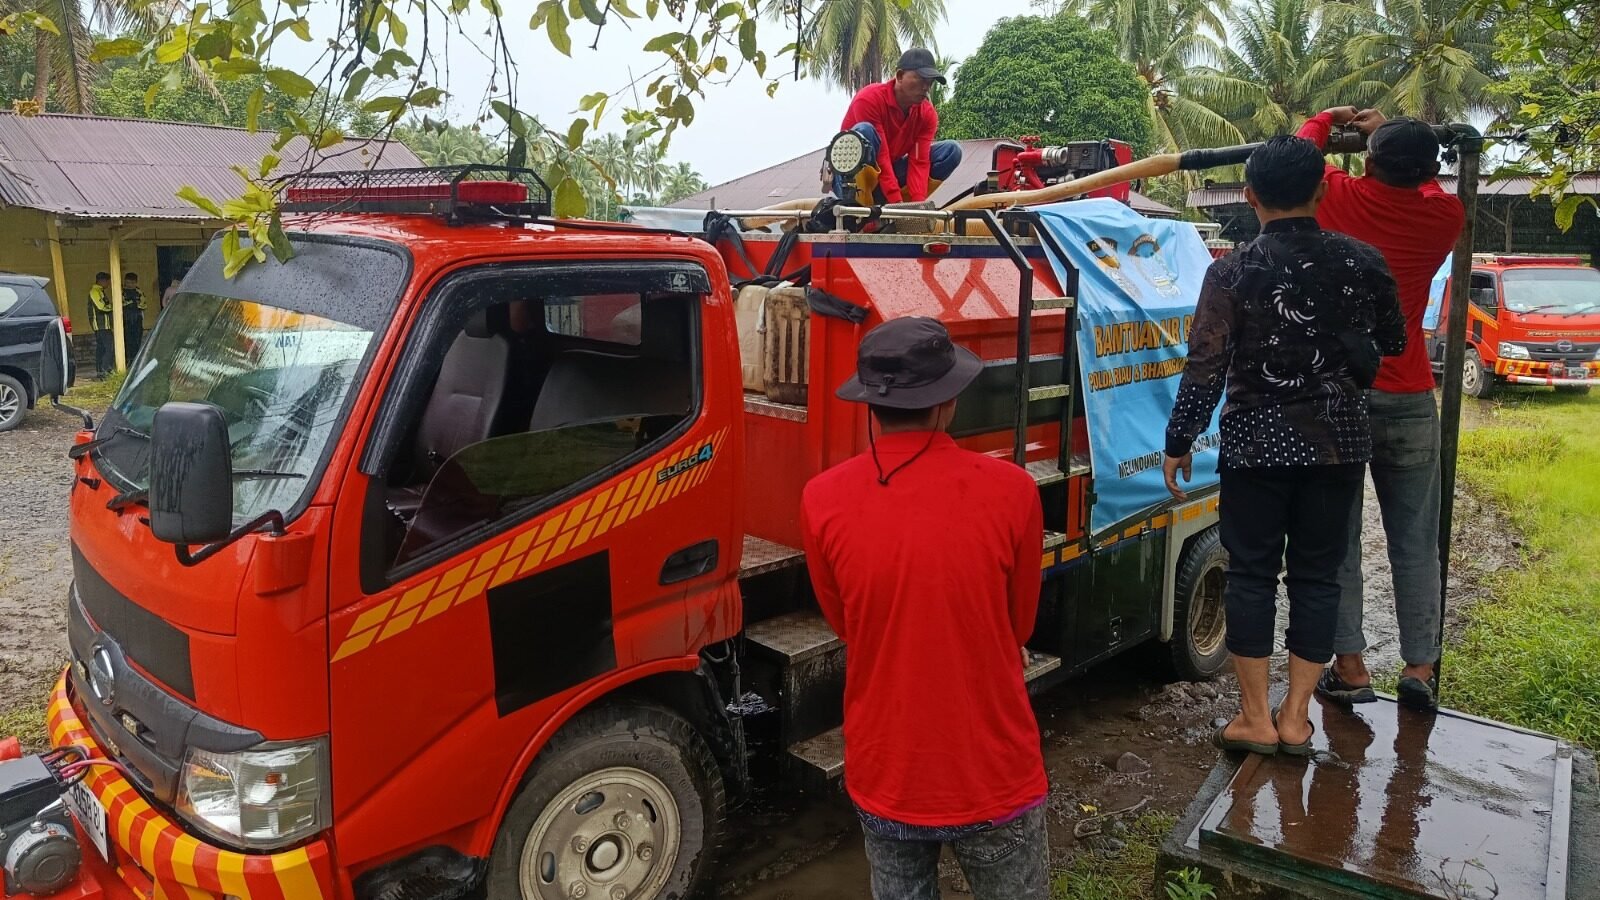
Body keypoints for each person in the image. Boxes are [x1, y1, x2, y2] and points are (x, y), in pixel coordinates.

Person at [1163, 136, 1406, 756]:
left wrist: (1180, 438)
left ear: (1249, 195)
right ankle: (1297, 717)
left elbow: (1206, 364)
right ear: (1322, 190)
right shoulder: (1363, 260)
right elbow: (1396, 341)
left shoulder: (1233, 269)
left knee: (1251, 574)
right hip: (1339, 446)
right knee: (1317, 577)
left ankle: (1253, 718)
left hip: (1257, 448)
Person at [801, 316, 1049, 900]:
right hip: (991, 772)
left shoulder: (821, 499)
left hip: (886, 770)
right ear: (947, 404)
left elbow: (847, 623)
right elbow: (1020, 625)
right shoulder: (1012, 491)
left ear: (870, 405)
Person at [1297, 107, 1467, 712]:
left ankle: (1351, 668)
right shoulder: (1443, 215)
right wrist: (1387, 136)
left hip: (1340, 393)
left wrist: (1328, 119)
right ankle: (1418, 668)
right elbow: (1425, 184)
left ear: (1368, 163)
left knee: (1338, 536)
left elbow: (1300, 156)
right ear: (1430, 170)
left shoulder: (1338, 196)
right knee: (1416, 540)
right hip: (1410, 395)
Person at [835, 48, 963, 204]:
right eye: (921, 79)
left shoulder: (927, 115)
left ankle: (905, 208)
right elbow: (881, 157)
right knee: (865, 131)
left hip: (888, 176)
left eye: (929, 81)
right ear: (900, 76)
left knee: (951, 151)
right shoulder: (869, 99)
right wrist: (895, 200)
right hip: (850, 177)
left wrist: (918, 207)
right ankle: (861, 207)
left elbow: (919, 161)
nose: (926, 87)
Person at [88, 272, 114, 377]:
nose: (108, 284)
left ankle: (101, 370)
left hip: (105, 324)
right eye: (107, 281)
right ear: (102, 281)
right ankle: (105, 369)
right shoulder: (95, 292)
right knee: (109, 347)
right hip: (100, 325)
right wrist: (114, 307)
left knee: (102, 348)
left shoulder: (100, 291)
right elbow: (101, 307)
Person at [122, 272, 145, 361]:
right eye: (128, 282)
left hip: (137, 318)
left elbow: (143, 304)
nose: (129, 285)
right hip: (126, 318)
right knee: (127, 340)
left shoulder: (139, 292)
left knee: (137, 339)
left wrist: (136, 305)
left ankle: (136, 359)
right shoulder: (122, 292)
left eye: (132, 283)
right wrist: (129, 303)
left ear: (136, 282)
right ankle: (128, 359)